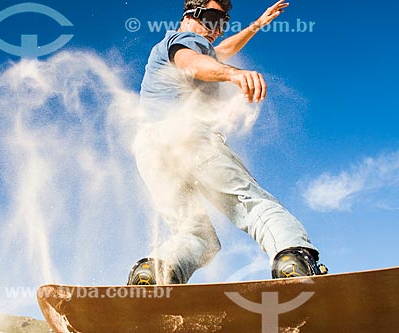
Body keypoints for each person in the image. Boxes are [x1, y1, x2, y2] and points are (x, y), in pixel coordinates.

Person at [127, 0, 327, 285]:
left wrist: (257, 25)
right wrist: (234, 74)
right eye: (211, 20)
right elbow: (191, 63)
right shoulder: (184, 41)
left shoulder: (174, 48)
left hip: (149, 149)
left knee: (196, 235)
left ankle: (158, 273)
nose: (216, 30)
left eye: (222, 24)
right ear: (189, 16)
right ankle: (292, 259)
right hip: (186, 136)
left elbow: (220, 51)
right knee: (253, 204)